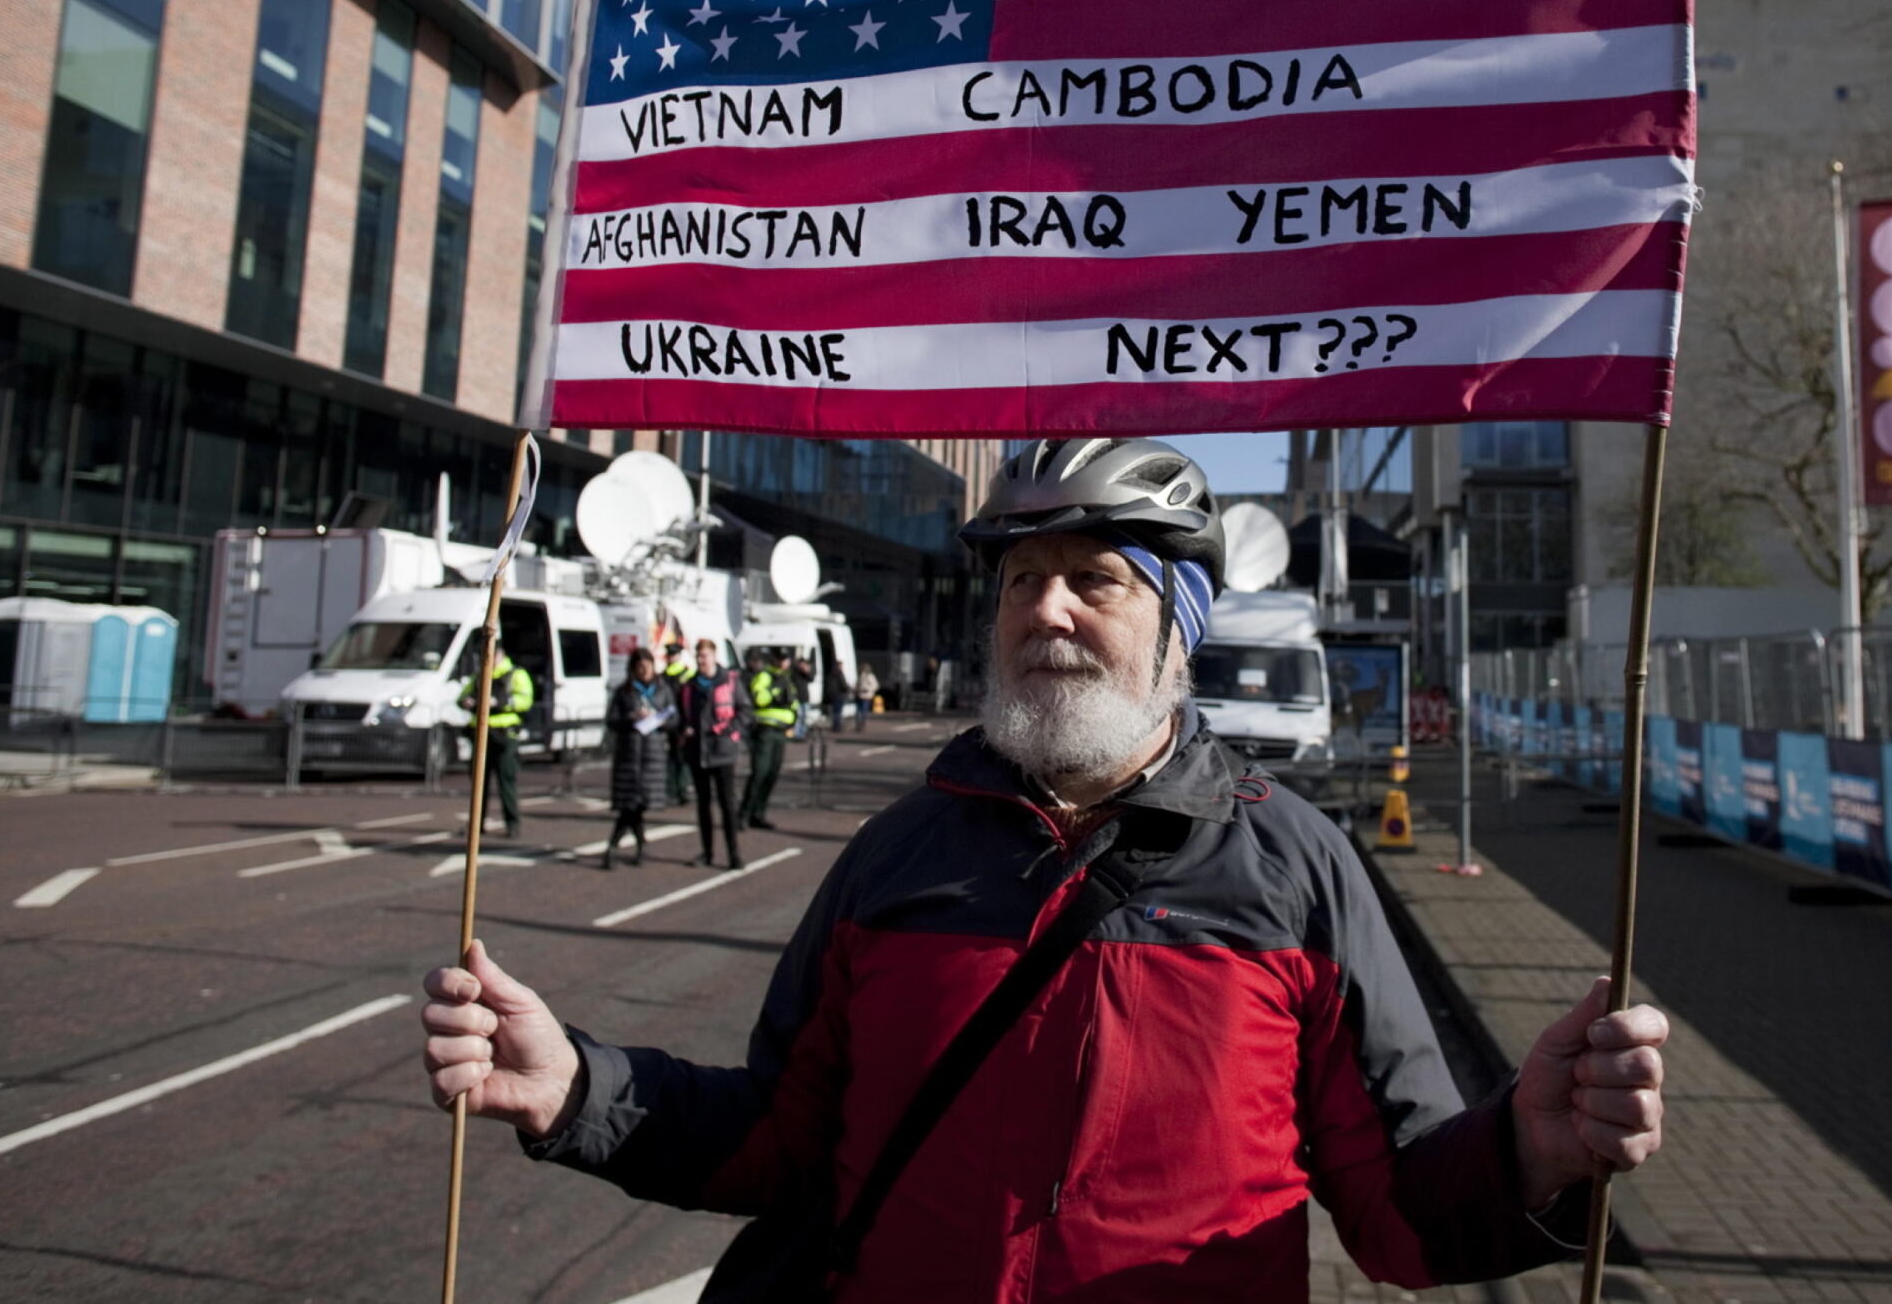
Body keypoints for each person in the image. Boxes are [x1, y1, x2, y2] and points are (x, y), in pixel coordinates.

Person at [421, 438, 1667, 1301]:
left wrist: (1528, 1154)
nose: (1048, 610)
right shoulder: (897, 856)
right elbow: (782, 1142)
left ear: (1176, 627)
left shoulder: (1295, 867)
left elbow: (1395, 1210)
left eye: (1095, 580)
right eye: (1022, 580)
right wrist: (580, 1087)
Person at [675, 638, 746, 869]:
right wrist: (683, 728)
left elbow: (746, 711)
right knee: (703, 806)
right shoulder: (689, 686)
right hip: (698, 752)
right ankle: (707, 852)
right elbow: (679, 716)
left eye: (704, 656)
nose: (701, 660)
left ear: (714, 656)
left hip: (723, 751)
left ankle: (734, 854)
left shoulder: (730, 681)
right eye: (698, 656)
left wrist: (730, 730)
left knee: (727, 804)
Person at [604, 650, 675, 868]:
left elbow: (674, 719)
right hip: (629, 755)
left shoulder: (663, 690)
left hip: (652, 755)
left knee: (638, 804)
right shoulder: (623, 692)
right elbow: (612, 720)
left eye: (648, 667)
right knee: (629, 804)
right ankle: (625, 846)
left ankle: (620, 846)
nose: (644, 672)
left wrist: (660, 721)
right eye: (640, 668)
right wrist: (631, 718)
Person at [456, 648, 533, 841]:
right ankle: (476, 824)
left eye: (491, 655)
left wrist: (499, 701)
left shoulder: (516, 674)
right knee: (478, 784)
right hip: (480, 735)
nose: (487, 659)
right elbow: (461, 696)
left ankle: (512, 825)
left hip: (504, 737)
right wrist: (466, 701)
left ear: (501, 656)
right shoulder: (480, 675)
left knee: (506, 783)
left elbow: (525, 700)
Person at [739, 649, 796, 830]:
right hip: (765, 731)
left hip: (781, 732)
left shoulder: (787, 678)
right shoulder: (765, 676)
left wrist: (793, 717)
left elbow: (793, 701)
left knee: (772, 774)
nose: (783, 663)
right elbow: (759, 699)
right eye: (780, 659)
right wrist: (774, 690)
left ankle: (759, 813)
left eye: (785, 659)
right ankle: (743, 814)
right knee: (759, 773)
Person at [661, 641, 695, 806]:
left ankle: (679, 789)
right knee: (674, 756)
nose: (671, 658)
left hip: (681, 721)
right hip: (670, 721)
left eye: (673, 655)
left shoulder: (686, 674)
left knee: (680, 756)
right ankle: (675, 790)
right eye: (670, 655)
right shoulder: (663, 675)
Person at [852, 661, 879, 735]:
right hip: (860, 695)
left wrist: (867, 689)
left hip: (866, 696)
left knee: (862, 711)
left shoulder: (870, 676)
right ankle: (859, 725)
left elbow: (875, 686)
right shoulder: (860, 676)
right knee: (859, 711)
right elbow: (856, 685)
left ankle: (861, 725)